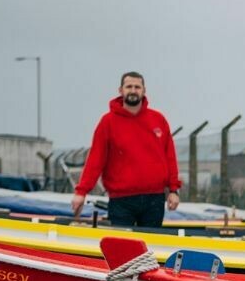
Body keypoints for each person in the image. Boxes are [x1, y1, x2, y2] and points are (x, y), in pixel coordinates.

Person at [72, 72, 181, 228]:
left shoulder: (158, 120)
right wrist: (81, 192)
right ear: (120, 90)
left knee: (151, 246)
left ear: (144, 90)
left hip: (154, 199)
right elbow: (95, 160)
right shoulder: (107, 122)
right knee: (121, 246)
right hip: (121, 200)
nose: (133, 90)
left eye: (137, 87)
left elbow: (170, 157)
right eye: (128, 86)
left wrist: (173, 190)